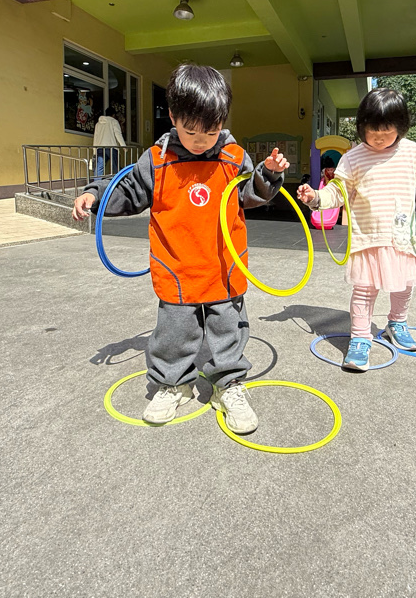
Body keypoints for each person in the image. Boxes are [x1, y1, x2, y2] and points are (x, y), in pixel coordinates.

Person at [72, 64, 289, 432]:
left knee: (228, 329)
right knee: (174, 332)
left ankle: (228, 385)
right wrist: (96, 194)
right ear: (172, 117)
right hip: (176, 265)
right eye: (190, 132)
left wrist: (268, 173)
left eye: (211, 132)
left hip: (223, 265)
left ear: (222, 121)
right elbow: (130, 190)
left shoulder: (233, 156)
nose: (201, 141)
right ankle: (175, 384)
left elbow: (251, 194)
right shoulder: (157, 160)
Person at [296, 88, 416, 371]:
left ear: (401, 127)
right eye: (372, 132)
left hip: (401, 237)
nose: (378, 138)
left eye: (387, 132)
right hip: (367, 237)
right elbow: (338, 192)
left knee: (404, 285)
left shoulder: (415, 153)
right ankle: (360, 338)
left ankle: (397, 323)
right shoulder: (353, 158)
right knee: (364, 290)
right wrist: (315, 197)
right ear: (361, 127)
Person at [92, 107, 126, 176]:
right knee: (116, 166)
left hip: (100, 148)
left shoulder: (98, 124)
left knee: (99, 167)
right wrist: (123, 146)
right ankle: (120, 180)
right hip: (111, 147)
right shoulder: (114, 121)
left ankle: (96, 181)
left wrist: (94, 150)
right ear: (113, 115)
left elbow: (96, 137)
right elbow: (118, 134)